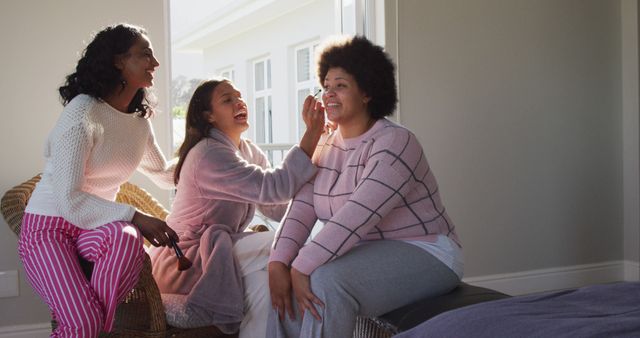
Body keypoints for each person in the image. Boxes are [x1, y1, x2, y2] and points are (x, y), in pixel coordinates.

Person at [267, 35, 465, 338]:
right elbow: (303, 206)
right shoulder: (326, 143)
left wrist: (301, 266)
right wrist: (279, 262)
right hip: (367, 251)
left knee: (324, 282)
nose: (329, 94)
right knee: (280, 281)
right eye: (326, 86)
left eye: (341, 85)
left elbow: (356, 217)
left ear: (367, 92)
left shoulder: (396, 142)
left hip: (427, 250)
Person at [17, 23, 179, 337]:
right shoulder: (82, 115)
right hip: (49, 228)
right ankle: (87, 326)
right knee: (83, 322)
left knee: (127, 238)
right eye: (145, 54)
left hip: (92, 228)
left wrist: (206, 142)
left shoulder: (138, 123)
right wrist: (135, 215)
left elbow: (163, 173)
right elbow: (69, 200)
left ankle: (88, 326)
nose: (155, 64)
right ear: (118, 60)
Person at [149, 78, 325, 338]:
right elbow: (275, 187)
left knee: (263, 288)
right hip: (186, 258)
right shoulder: (208, 154)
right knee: (286, 245)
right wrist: (313, 135)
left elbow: (275, 206)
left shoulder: (247, 151)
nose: (239, 102)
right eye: (227, 99)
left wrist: (322, 192)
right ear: (208, 116)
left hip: (219, 248)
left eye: (239, 96)